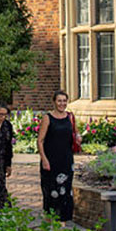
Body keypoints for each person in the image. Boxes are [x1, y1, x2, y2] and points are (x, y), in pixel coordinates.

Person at [36, 89, 76, 221]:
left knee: (66, 190)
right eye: (59, 100)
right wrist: (44, 159)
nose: (62, 103)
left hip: (66, 159)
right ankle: (50, 219)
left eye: (64, 101)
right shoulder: (48, 118)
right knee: (51, 190)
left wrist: (79, 138)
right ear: (54, 102)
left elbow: (74, 134)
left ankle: (63, 220)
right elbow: (40, 141)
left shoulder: (70, 117)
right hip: (51, 160)